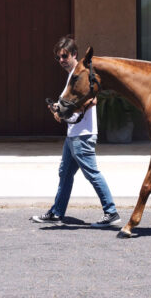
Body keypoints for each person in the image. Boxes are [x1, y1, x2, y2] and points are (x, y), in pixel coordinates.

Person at [30, 35, 120, 227]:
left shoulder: (81, 74)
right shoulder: (72, 76)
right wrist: (58, 109)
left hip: (83, 135)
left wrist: (64, 114)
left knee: (92, 173)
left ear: (74, 54)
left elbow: (92, 99)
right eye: (58, 57)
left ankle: (111, 212)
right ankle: (57, 212)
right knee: (64, 173)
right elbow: (71, 105)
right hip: (73, 134)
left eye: (64, 56)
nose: (61, 60)